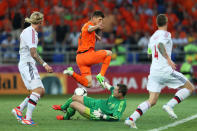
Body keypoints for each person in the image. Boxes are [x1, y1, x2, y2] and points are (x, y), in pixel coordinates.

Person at [125, 14, 195, 129]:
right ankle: (170, 105)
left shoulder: (152, 37)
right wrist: (168, 59)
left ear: (156, 24)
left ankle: (131, 118)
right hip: (165, 70)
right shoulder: (166, 34)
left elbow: (149, 54)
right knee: (190, 87)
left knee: (152, 101)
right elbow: (160, 44)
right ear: (167, 22)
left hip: (154, 72)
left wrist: (157, 55)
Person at [11, 11, 53, 125]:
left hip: (27, 64)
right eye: (42, 21)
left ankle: (19, 109)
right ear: (40, 22)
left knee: (41, 91)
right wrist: (45, 64)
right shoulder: (31, 33)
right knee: (38, 90)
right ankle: (27, 119)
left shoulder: (28, 31)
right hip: (28, 64)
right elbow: (34, 53)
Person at [63, 11, 112, 88]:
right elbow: (90, 29)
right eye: (100, 20)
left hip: (80, 58)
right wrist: (98, 26)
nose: (101, 22)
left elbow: (88, 31)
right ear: (93, 18)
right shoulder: (88, 25)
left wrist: (96, 36)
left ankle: (72, 73)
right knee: (109, 53)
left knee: (88, 84)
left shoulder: (85, 27)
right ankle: (101, 75)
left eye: (102, 20)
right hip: (87, 55)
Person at [52, 82, 127, 121]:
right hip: (96, 102)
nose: (113, 90)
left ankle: (66, 118)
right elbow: (110, 87)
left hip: (95, 113)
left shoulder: (121, 104)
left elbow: (116, 118)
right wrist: (104, 83)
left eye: (115, 90)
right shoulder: (115, 93)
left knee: (73, 104)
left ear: (120, 93)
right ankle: (63, 108)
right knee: (74, 97)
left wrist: (102, 116)